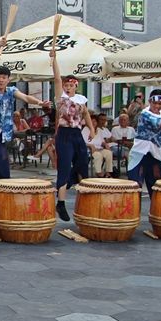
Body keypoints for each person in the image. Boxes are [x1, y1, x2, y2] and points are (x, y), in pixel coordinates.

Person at [0, 38, 49, 183]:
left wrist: (39, 102)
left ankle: (2, 188)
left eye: (3, 78)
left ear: (8, 79)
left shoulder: (11, 91)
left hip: (0, 133)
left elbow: (25, 97)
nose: (0, 80)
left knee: (1, 166)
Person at [50, 50, 94, 221]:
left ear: (76, 85)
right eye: (66, 85)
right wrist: (54, 60)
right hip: (64, 134)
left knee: (83, 162)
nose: (68, 88)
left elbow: (87, 114)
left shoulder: (82, 99)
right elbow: (57, 78)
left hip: (77, 133)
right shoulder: (60, 97)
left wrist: (92, 129)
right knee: (64, 166)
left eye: (71, 85)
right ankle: (61, 203)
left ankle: (81, 195)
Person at [84, 112, 113, 177]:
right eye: (92, 121)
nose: (93, 123)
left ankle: (108, 172)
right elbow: (82, 142)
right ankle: (98, 172)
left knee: (108, 153)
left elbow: (102, 141)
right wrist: (90, 145)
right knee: (98, 155)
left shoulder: (99, 130)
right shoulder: (85, 130)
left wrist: (105, 144)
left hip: (99, 148)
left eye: (95, 121)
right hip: (91, 150)